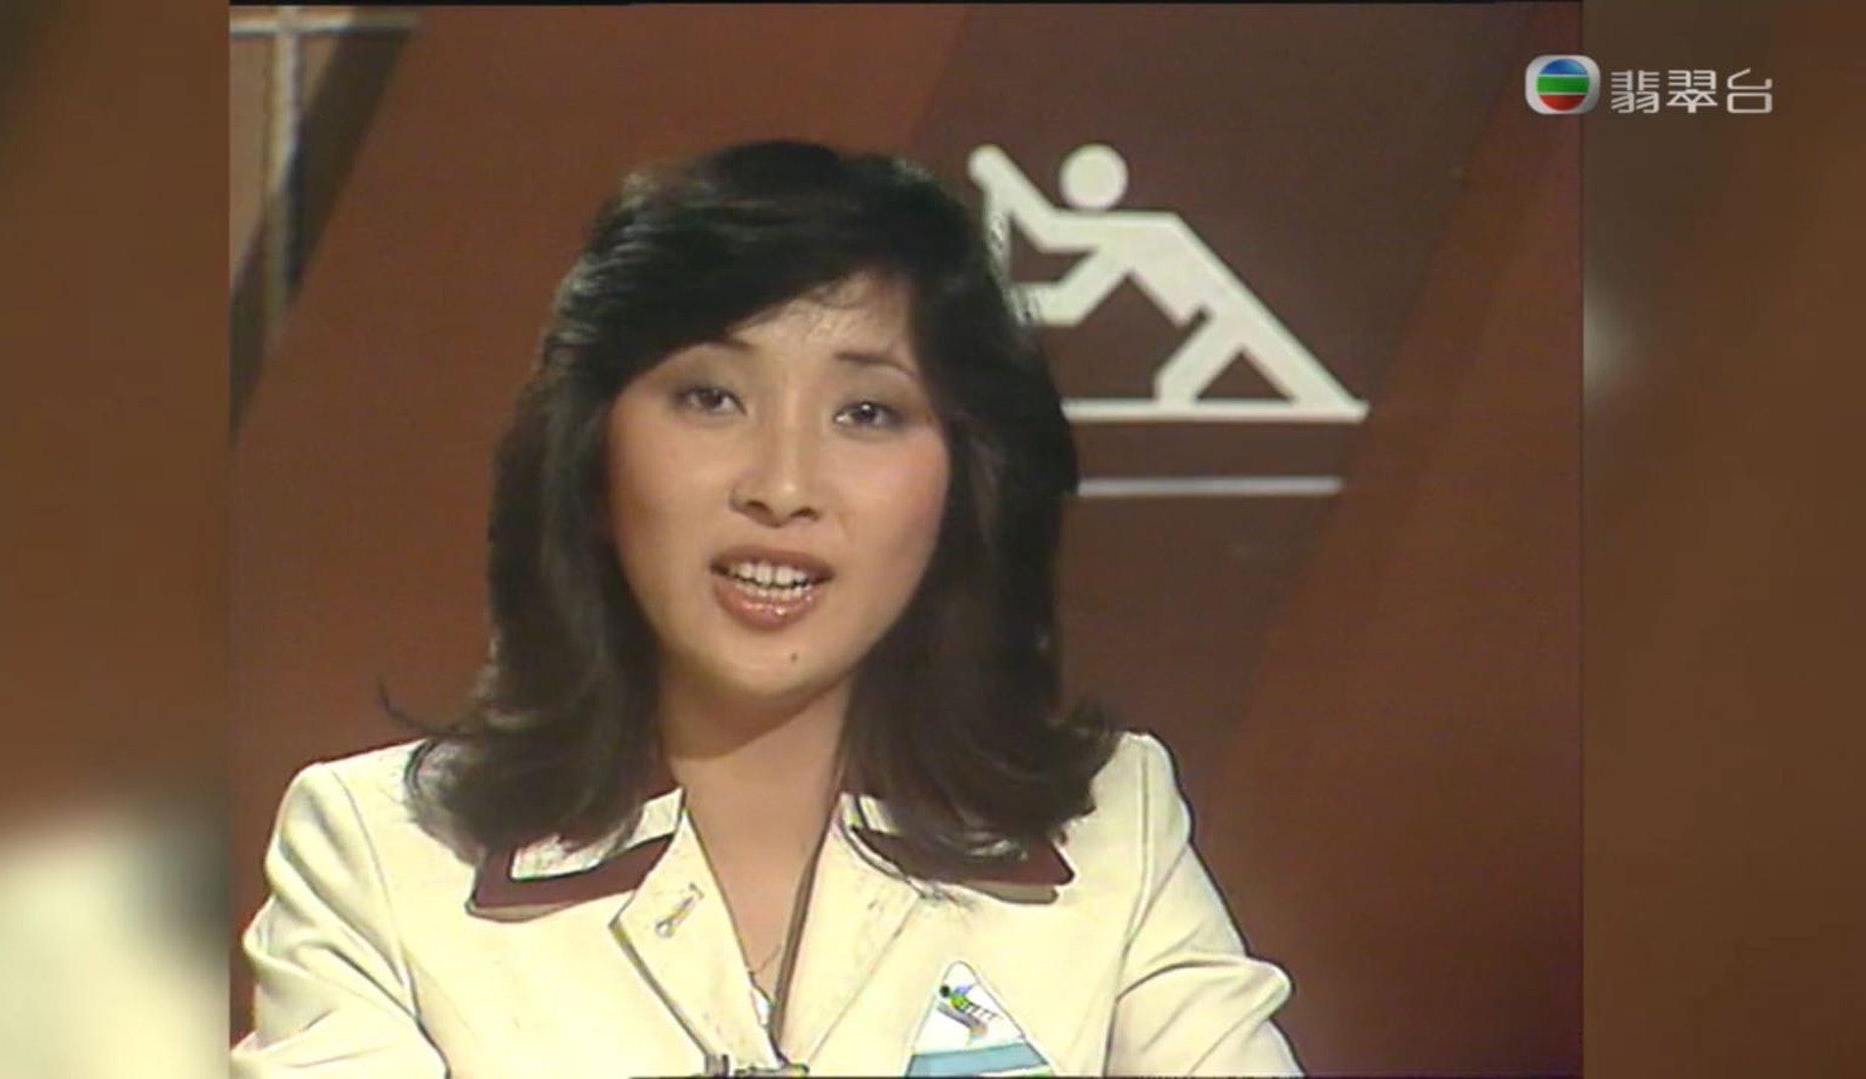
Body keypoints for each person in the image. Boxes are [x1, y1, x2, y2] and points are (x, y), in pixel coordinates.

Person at [232, 140, 1300, 1077]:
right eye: (711, 398)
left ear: (962, 481)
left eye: (867, 411)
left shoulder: (1110, 829)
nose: (784, 486)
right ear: (593, 458)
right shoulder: (384, 853)